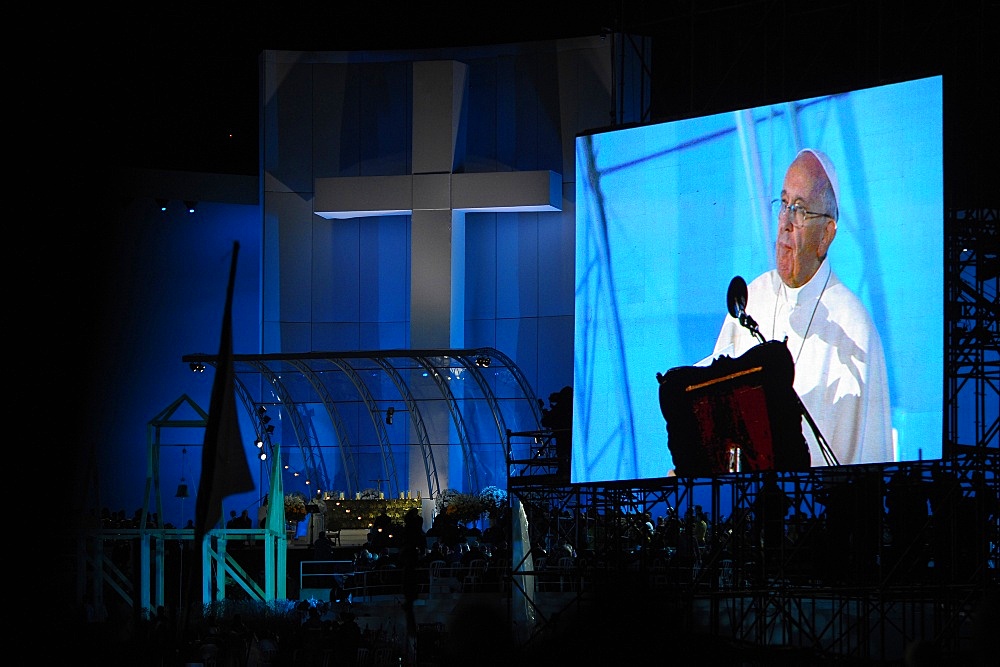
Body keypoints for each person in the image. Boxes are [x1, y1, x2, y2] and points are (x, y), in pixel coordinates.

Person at [713, 148, 892, 467]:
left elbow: (865, 466)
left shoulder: (854, 328)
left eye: (800, 210)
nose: (785, 222)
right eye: (783, 204)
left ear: (825, 235)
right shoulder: (751, 299)